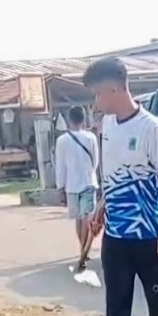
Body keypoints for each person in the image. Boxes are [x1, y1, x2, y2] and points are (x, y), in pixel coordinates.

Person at [82, 57, 158, 316]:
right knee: (117, 302)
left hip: (149, 234)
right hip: (116, 235)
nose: (96, 103)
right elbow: (112, 177)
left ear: (113, 89)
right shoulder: (107, 126)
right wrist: (100, 208)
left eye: (97, 95)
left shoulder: (152, 128)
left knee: (157, 302)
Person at [55, 105, 99, 270]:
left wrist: (60, 186)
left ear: (69, 119)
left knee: (79, 220)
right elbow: (95, 162)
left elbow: (60, 166)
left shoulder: (62, 141)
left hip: (71, 185)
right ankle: (83, 252)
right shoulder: (91, 138)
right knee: (86, 219)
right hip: (88, 182)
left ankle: (83, 251)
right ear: (83, 119)